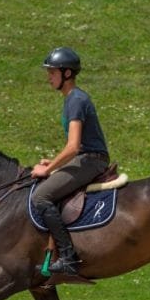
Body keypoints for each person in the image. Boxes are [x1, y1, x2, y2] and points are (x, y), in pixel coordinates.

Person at [31, 47, 110, 276]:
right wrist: (53, 163)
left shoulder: (76, 99)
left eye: (52, 72)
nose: (49, 77)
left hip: (91, 160)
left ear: (67, 74)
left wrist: (49, 169)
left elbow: (73, 146)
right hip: (85, 157)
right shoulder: (71, 99)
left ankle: (68, 257)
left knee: (41, 196)